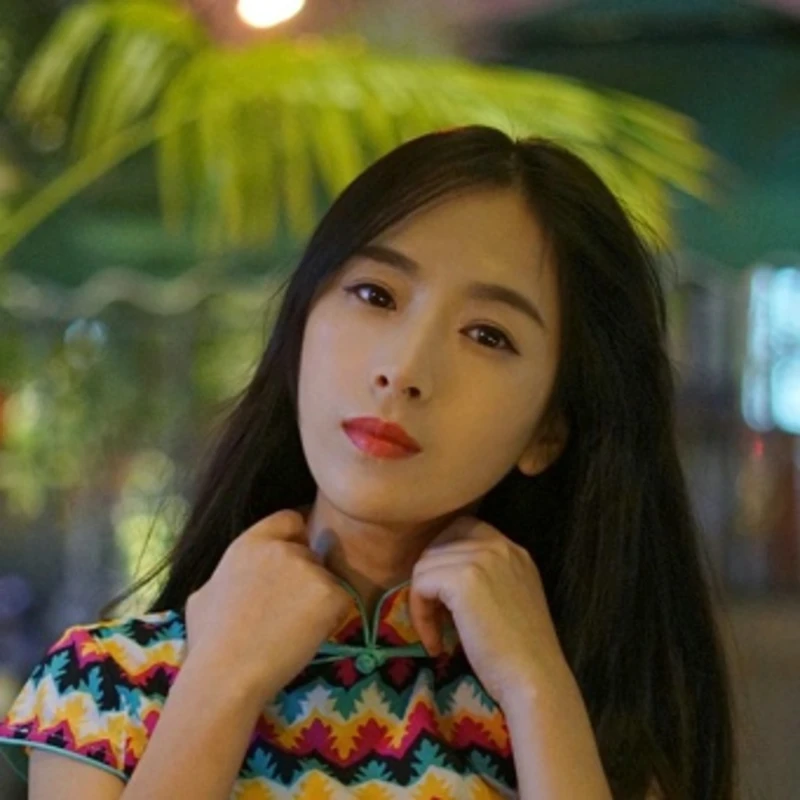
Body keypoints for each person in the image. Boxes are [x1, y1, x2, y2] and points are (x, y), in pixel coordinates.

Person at [0, 125, 736, 799]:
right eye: (375, 293)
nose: (404, 369)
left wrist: (537, 685)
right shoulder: (110, 686)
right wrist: (223, 681)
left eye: (487, 335)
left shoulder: (590, 724)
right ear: (300, 329)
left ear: (547, 431)